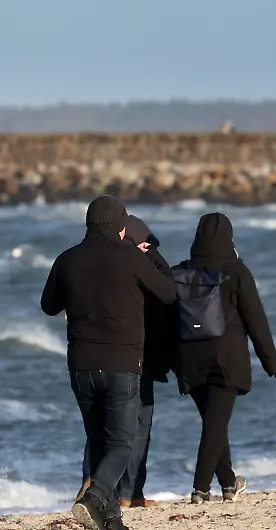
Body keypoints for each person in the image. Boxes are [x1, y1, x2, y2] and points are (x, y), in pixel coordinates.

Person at [41, 195, 176, 530]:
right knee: (121, 443)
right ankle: (95, 496)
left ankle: (112, 520)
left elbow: (48, 306)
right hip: (122, 362)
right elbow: (169, 292)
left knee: (99, 440)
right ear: (120, 227)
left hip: (82, 365)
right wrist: (152, 257)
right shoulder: (130, 257)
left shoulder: (67, 259)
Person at [174, 213, 276, 505]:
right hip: (226, 358)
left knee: (213, 422)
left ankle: (229, 483)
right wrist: (269, 361)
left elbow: (166, 322)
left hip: (189, 360)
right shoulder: (236, 272)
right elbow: (255, 319)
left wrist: (167, 360)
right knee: (215, 423)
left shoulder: (180, 272)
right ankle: (200, 488)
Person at [78, 215, 176, 509]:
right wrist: (150, 258)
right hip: (131, 357)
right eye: (145, 243)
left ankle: (109, 489)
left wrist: (149, 254)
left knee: (112, 428)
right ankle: (116, 491)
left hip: (113, 357)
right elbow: (168, 290)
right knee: (130, 430)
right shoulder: (131, 266)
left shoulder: (111, 264)